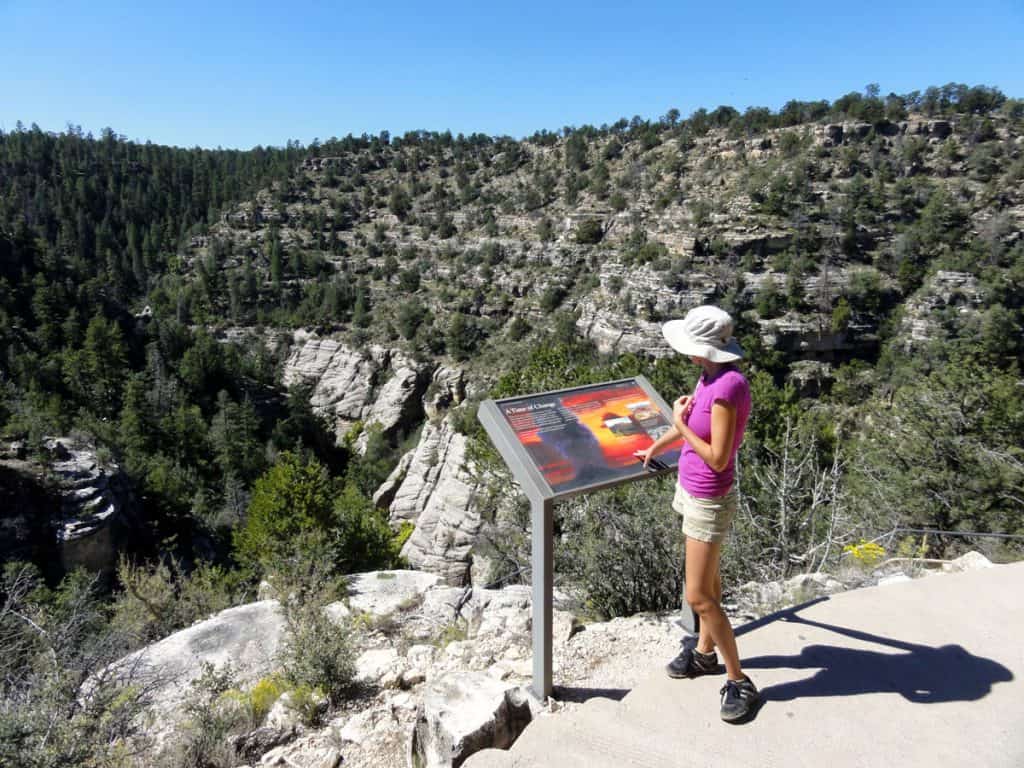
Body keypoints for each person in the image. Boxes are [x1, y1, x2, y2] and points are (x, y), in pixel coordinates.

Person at [634, 305, 759, 723]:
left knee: (698, 596)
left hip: (709, 497)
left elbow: (719, 457)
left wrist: (679, 424)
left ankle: (739, 680)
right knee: (710, 583)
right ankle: (705, 653)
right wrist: (657, 445)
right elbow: (689, 422)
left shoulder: (727, 388)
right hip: (692, 489)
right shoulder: (709, 375)